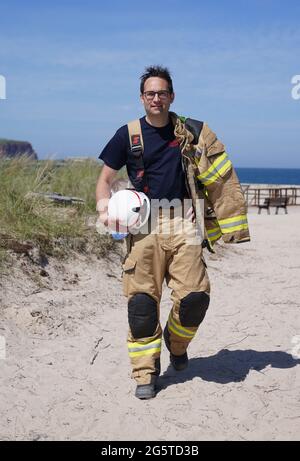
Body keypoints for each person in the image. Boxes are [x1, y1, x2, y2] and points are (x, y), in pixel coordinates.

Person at [96, 65, 250, 399]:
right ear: (142, 98)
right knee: (141, 305)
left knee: (195, 298)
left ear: (172, 96)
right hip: (143, 227)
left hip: (184, 223)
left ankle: (176, 343)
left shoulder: (192, 133)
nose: (156, 98)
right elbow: (105, 179)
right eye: (150, 93)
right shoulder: (128, 134)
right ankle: (145, 373)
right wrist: (103, 208)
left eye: (162, 93)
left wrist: (231, 224)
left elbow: (222, 178)